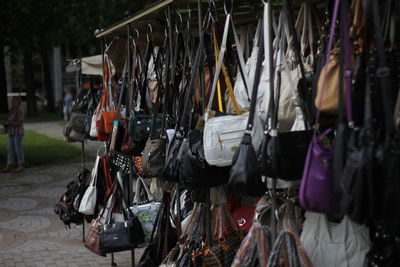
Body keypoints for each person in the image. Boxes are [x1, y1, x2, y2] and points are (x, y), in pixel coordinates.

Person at [1, 96, 25, 173]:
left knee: (18, 149)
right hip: (11, 132)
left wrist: (10, 123)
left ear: (19, 102)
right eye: (12, 101)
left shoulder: (20, 110)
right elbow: (8, 120)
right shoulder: (11, 110)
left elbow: (20, 123)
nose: (12, 103)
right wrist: (5, 123)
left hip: (18, 132)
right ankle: (9, 164)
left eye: (14, 101)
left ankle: (20, 165)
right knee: (10, 149)